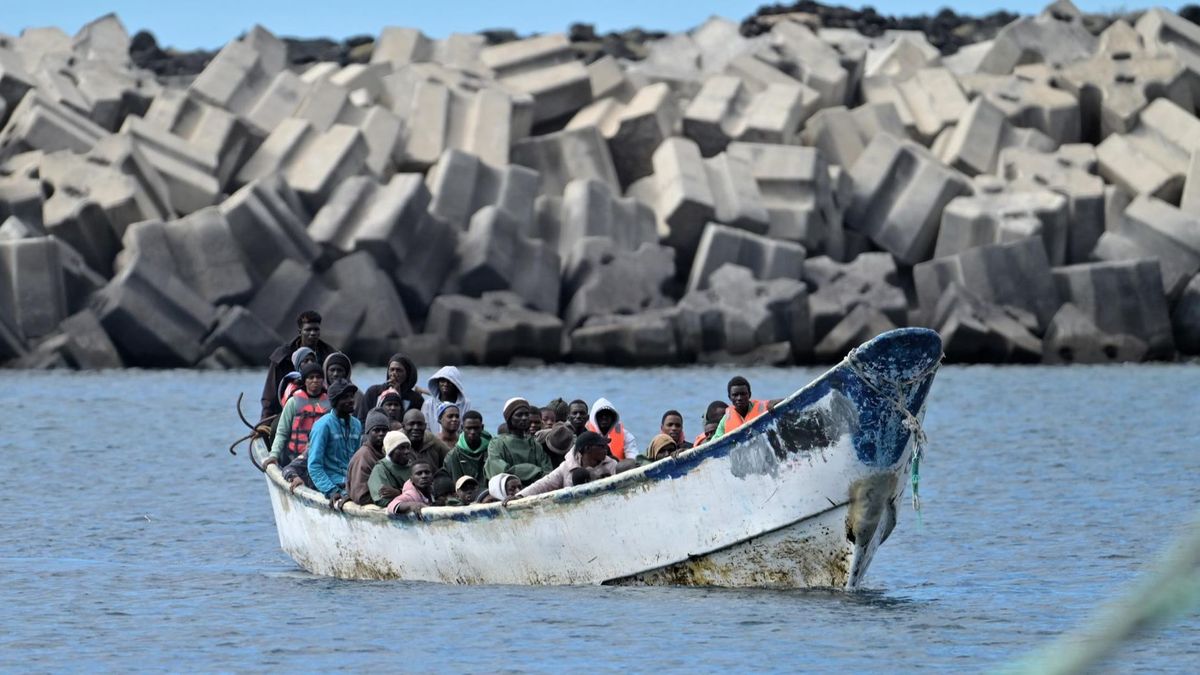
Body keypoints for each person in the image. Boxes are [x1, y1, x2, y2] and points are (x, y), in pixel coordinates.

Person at [260, 310, 336, 422]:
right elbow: (270, 392)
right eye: (308, 330)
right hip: (288, 411)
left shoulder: (330, 356)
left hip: (325, 411)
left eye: (316, 329)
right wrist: (265, 420)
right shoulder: (282, 357)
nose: (313, 333)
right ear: (300, 332)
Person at [306, 380, 363, 509]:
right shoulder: (322, 426)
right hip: (332, 485)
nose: (351, 400)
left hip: (352, 485)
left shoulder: (356, 424)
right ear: (335, 402)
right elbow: (314, 466)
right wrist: (331, 491)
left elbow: (357, 462)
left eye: (351, 396)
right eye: (345, 397)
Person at [265, 362, 328, 472]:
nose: (315, 380)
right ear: (304, 381)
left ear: (323, 380)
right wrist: (274, 455)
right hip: (294, 458)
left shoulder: (329, 404)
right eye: (311, 377)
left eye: (318, 377)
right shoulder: (293, 402)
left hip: (322, 459)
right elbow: (282, 432)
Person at [517, 431, 618, 497]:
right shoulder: (567, 467)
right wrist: (520, 496)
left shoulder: (611, 464)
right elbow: (544, 484)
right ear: (587, 448)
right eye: (601, 446)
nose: (606, 449)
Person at [484, 398, 552, 484]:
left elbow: (547, 473)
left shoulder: (535, 444)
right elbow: (501, 472)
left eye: (527, 414)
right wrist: (534, 470)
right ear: (509, 418)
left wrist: (516, 470)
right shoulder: (497, 443)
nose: (524, 418)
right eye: (519, 415)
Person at [357, 353, 423, 423]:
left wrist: (397, 396)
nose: (394, 374)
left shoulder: (416, 399)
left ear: (407, 373)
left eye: (399, 370)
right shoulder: (373, 392)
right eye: (392, 370)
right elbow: (362, 420)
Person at [346, 409, 392, 506]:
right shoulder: (363, 457)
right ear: (368, 432)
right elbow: (361, 496)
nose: (381, 434)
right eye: (376, 430)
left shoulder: (387, 453)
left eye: (384, 430)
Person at [713, 376, 782, 438]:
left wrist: (775, 402)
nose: (739, 398)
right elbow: (714, 443)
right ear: (729, 397)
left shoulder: (764, 407)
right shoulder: (725, 420)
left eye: (743, 394)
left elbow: (788, 403)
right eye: (735, 395)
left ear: (749, 395)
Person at [444, 410, 491, 484]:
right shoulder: (453, 456)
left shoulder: (491, 450)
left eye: (476, 428)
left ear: (482, 428)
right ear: (462, 428)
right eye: (469, 428)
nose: (472, 432)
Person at [369, 430, 414, 507]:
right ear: (391, 451)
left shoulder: (413, 466)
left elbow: (425, 493)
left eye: (407, 447)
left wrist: (399, 492)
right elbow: (383, 499)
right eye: (401, 448)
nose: (406, 451)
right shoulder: (380, 469)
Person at [421, 366, 471, 433]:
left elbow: (466, 427)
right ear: (438, 382)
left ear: (456, 384)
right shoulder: (428, 404)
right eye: (442, 380)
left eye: (449, 381)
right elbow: (425, 428)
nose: (445, 384)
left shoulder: (466, 403)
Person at [402, 408, 451, 472]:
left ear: (425, 426)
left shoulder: (432, 440)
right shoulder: (396, 443)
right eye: (411, 424)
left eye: (420, 424)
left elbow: (451, 458)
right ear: (403, 426)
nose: (416, 428)